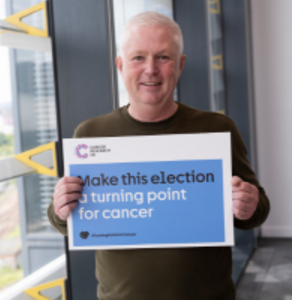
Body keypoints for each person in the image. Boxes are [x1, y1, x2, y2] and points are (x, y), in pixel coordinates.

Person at [48, 12, 269, 300]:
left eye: (163, 58)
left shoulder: (216, 129)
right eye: (138, 57)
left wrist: (249, 205)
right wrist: (61, 209)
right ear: (120, 65)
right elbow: (67, 220)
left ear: (180, 65)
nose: (150, 69)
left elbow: (257, 210)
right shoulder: (90, 134)